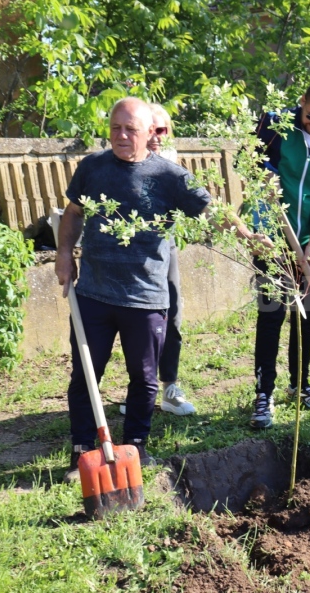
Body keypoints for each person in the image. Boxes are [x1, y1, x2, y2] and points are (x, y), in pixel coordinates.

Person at [55, 97, 210, 482]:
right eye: (115, 129)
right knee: (86, 373)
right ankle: (82, 452)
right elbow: (74, 213)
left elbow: (213, 211)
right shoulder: (93, 168)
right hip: (93, 292)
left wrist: (248, 235)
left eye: (131, 130)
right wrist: (64, 254)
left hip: (145, 298)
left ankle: (136, 448)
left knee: (145, 379)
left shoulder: (169, 176)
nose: (121, 136)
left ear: (149, 133)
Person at [246, 78, 310, 430]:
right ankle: (264, 393)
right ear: (301, 102)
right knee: (272, 313)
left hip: (307, 238)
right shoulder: (273, 126)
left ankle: (300, 384)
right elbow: (256, 172)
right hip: (272, 235)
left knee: (306, 313)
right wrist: (264, 232)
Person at [118, 103, 196, 416]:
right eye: (150, 129)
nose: (155, 137)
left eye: (161, 130)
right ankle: (140, 392)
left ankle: (170, 389)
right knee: (139, 323)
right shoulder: (123, 163)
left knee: (171, 316)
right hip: (131, 254)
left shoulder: (171, 160)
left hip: (165, 250)